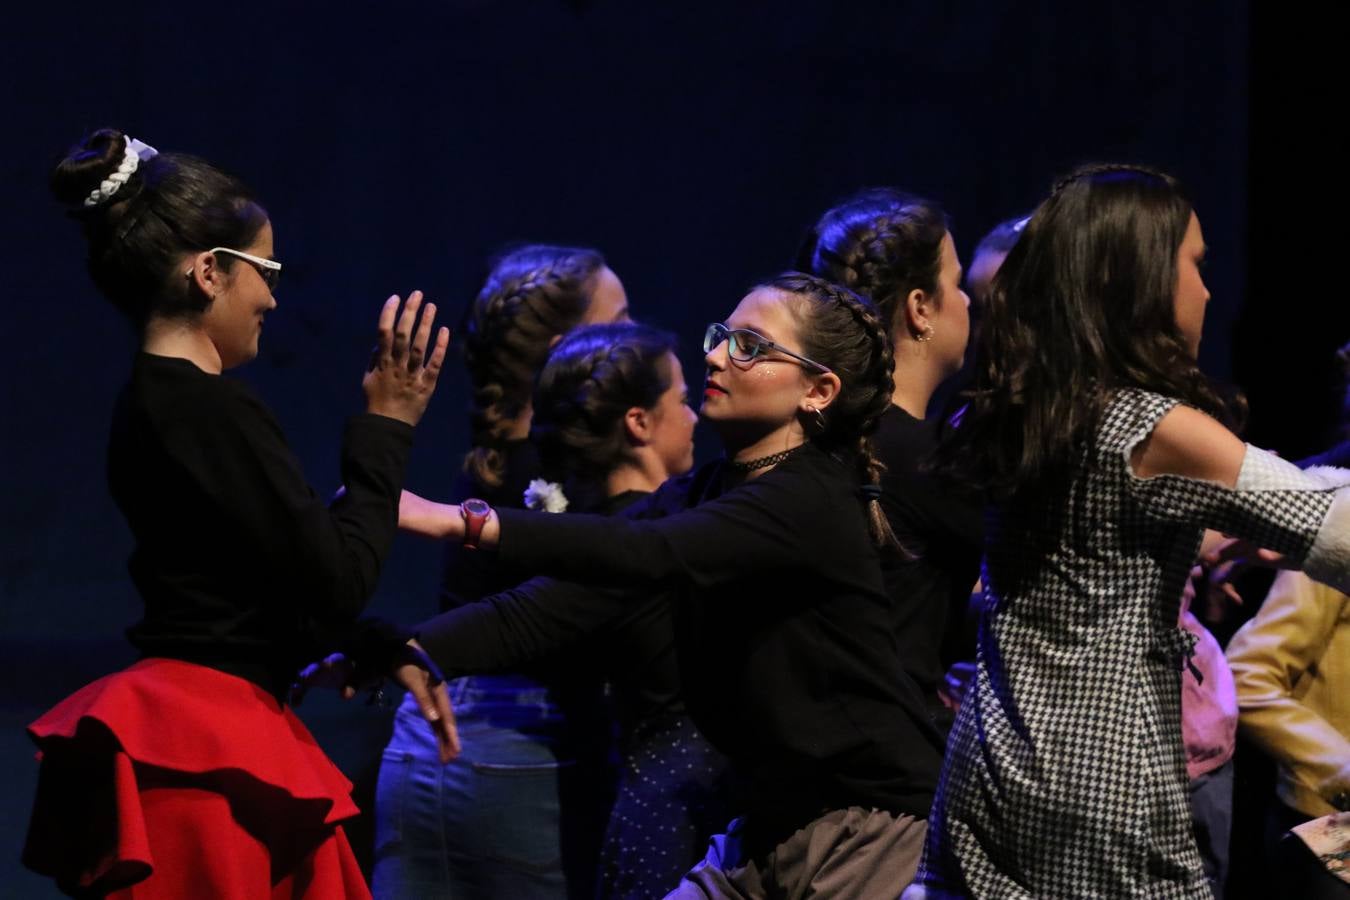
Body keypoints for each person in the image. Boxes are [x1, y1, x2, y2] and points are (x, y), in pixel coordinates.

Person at [397, 272, 945, 897]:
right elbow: (573, 595)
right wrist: (422, 646)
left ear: (818, 390)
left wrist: (463, 521)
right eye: (723, 336)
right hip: (768, 825)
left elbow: (649, 551)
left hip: (868, 826)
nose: (714, 354)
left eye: (749, 345)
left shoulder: (812, 495)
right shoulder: (710, 488)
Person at [23, 127, 452, 899]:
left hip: (193, 729)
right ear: (211, 273)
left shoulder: (154, 403)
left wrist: (361, 643)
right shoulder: (208, 409)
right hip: (208, 749)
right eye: (266, 270)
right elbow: (334, 580)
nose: (274, 297)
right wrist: (388, 426)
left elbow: (255, 570)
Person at [908, 164, 1350, 898]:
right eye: (1195, 266)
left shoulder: (1024, 410)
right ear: (1141, 277)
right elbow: (1331, 528)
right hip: (1100, 777)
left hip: (995, 758)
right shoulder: (1152, 427)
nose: (1208, 290)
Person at [373, 244, 629, 899]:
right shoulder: (562, 479)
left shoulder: (483, 467)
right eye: (621, 319)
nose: (636, 337)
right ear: (567, 346)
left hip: (422, 736)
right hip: (520, 745)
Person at [803, 188, 983, 733]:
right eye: (956, 284)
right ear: (920, 308)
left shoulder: (821, 429)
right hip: (889, 746)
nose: (970, 301)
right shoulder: (924, 460)